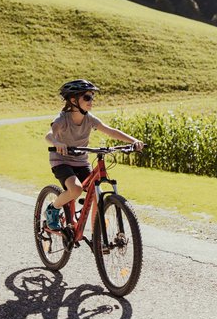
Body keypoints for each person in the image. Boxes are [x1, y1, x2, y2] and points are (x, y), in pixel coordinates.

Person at [44, 79, 144, 230]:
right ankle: (53, 208)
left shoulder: (89, 118)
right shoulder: (63, 119)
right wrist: (57, 143)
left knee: (98, 196)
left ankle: (97, 232)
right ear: (73, 100)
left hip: (81, 161)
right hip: (62, 161)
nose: (91, 101)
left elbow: (110, 130)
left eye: (92, 97)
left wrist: (134, 141)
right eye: (87, 97)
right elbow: (49, 134)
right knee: (76, 189)